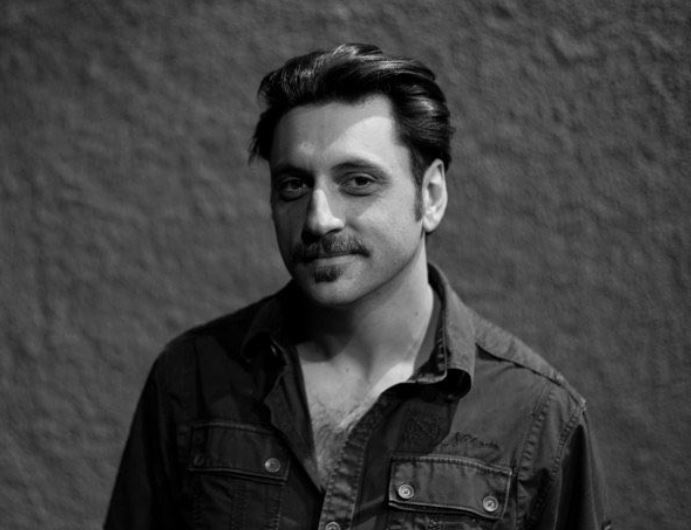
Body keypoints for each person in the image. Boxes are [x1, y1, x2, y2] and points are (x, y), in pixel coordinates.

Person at [105, 43, 610, 530]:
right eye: (294, 185)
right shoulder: (193, 379)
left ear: (431, 196)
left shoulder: (537, 416)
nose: (319, 219)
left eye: (358, 182)